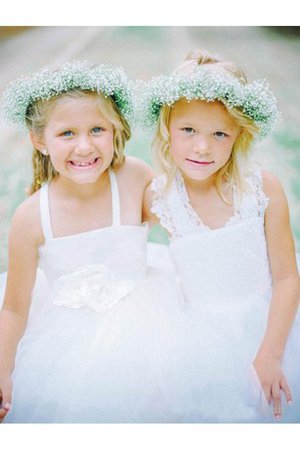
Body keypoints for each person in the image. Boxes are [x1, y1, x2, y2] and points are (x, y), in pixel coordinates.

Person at [0, 61, 184, 423]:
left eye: (97, 129)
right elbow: (14, 309)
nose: (84, 146)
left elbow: (185, 223)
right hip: (65, 341)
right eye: (67, 133)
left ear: (115, 130)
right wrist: (3, 370)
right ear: (39, 140)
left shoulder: (132, 177)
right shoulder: (30, 216)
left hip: (148, 329)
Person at [142, 50, 300, 423]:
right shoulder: (159, 197)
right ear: (167, 128)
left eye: (219, 134)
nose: (202, 147)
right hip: (200, 341)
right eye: (188, 131)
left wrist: (270, 353)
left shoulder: (261, 189)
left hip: (271, 329)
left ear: (238, 134)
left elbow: (287, 277)